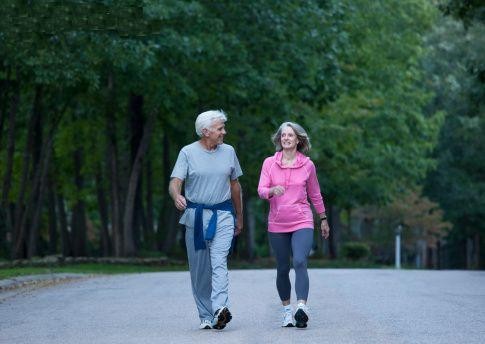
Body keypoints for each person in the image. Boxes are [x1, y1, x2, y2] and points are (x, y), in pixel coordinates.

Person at [168, 110, 243, 330]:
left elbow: (236, 186)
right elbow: (175, 181)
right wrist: (176, 195)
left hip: (223, 215)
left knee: (219, 262)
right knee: (200, 269)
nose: (224, 132)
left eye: (223, 128)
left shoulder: (229, 151)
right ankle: (205, 314)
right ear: (205, 131)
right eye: (220, 128)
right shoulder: (187, 152)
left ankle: (220, 308)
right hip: (197, 217)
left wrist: (239, 217)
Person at [257, 121, 330, 328]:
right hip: (278, 222)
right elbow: (261, 190)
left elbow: (315, 194)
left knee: (299, 261)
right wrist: (272, 191)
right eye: (283, 135)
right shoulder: (269, 163)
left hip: (302, 219)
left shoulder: (307, 165)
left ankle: (301, 307)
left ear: (298, 140)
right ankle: (287, 311)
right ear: (279, 139)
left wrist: (323, 218)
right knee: (282, 268)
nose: (286, 138)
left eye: (290, 135)